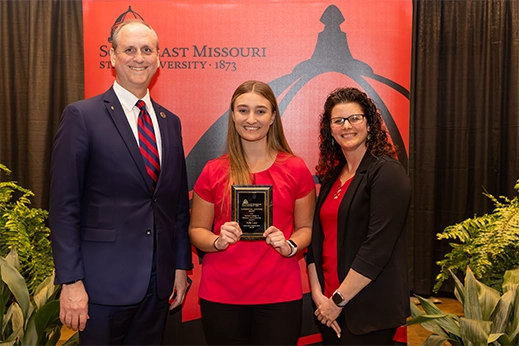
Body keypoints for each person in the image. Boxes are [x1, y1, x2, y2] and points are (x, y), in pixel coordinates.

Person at [49, 19, 192, 344]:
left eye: (147, 50)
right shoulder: (82, 117)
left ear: (158, 58)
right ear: (112, 57)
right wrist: (71, 281)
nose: (138, 57)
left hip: (158, 285)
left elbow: (177, 205)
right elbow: (63, 207)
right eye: (129, 49)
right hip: (100, 286)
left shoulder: (171, 123)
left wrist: (181, 267)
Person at [189, 80, 316, 345]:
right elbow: (196, 230)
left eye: (260, 111)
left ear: (272, 117)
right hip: (221, 295)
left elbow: (306, 230)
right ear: (233, 115)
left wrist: (289, 246)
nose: (251, 119)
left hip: (279, 294)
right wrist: (217, 241)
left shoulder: (296, 168)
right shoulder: (213, 170)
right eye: (243, 110)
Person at [306, 87, 411, 345]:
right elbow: (316, 242)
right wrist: (319, 296)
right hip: (328, 309)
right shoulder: (333, 178)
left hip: (367, 311)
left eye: (355, 118)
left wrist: (338, 301)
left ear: (369, 123)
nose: (347, 126)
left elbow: (377, 249)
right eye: (338, 120)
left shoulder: (387, 172)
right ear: (329, 129)